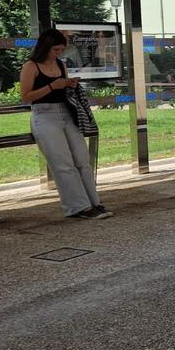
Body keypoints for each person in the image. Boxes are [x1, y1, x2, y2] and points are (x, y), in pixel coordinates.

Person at [19, 29, 111, 219]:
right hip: (44, 115)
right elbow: (26, 96)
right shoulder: (31, 66)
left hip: (67, 113)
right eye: (56, 50)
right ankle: (78, 206)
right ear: (45, 47)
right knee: (63, 163)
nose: (59, 53)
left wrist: (69, 84)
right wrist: (53, 86)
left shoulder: (60, 64)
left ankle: (94, 201)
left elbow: (65, 87)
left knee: (82, 159)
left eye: (61, 50)